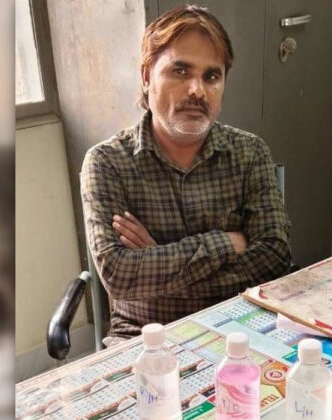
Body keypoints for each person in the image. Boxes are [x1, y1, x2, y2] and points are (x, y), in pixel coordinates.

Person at [81, 5, 291, 343]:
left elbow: (275, 258)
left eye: (211, 76)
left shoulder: (250, 152)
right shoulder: (107, 163)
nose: (197, 90)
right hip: (144, 334)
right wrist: (228, 242)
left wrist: (157, 264)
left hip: (239, 324)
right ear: (147, 77)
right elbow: (119, 276)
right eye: (180, 71)